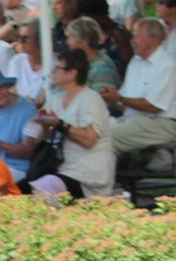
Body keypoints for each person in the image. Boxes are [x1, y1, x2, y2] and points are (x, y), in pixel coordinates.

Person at [31, 49, 115, 198]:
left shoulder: (91, 99)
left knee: (44, 191)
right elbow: (44, 138)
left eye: (57, 68)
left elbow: (89, 140)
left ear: (72, 73)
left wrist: (60, 124)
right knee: (23, 188)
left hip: (88, 174)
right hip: (63, 168)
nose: (53, 72)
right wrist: (45, 125)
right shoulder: (56, 99)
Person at [99, 18, 176, 155]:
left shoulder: (167, 65)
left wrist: (119, 98)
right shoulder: (135, 61)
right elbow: (124, 99)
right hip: (132, 119)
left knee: (102, 140)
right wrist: (112, 97)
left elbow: (154, 107)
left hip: (160, 123)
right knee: (91, 132)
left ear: (152, 39)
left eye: (136, 36)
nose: (131, 40)